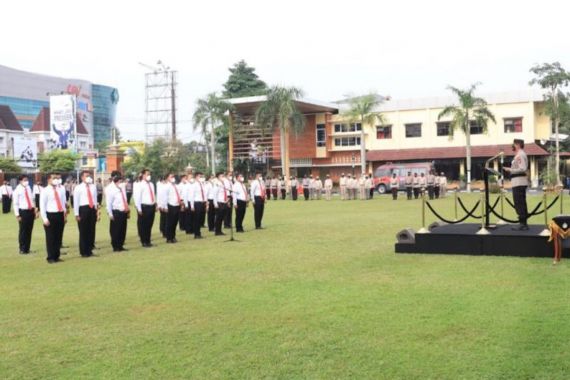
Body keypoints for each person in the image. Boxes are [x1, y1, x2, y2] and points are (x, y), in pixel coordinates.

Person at [40, 173, 66, 263]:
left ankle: (56, 255)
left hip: (60, 214)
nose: (56, 179)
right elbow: (42, 205)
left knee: (58, 236)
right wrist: (45, 219)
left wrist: (64, 214)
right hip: (50, 215)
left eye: (56, 178)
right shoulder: (45, 191)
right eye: (53, 178)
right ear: (48, 180)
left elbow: (63, 203)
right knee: (51, 237)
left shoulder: (60, 189)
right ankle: (50, 257)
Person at [504, 139, 529, 231]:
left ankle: (522, 223)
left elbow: (522, 168)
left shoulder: (520, 155)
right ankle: (523, 223)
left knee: (519, 203)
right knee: (520, 202)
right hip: (518, 181)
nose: (512, 146)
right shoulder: (520, 154)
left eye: (514, 144)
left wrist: (510, 170)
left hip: (519, 182)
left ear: (518, 144)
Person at [73, 170, 99, 258]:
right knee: (83, 231)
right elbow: (75, 202)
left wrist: (96, 210)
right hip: (83, 209)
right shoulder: (78, 187)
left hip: (92, 209)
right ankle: (83, 252)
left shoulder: (93, 186)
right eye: (86, 176)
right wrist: (76, 214)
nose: (88, 177)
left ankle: (89, 250)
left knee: (91, 230)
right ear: (82, 177)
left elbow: (95, 199)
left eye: (89, 176)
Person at [105, 171, 130, 252]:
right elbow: (108, 203)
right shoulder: (110, 189)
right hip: (116, 212)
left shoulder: (121, 187)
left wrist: (127, 209)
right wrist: (110, 213)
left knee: (123, 230)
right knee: (116, 230)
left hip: (123, 211)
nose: (121, 183)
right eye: (120, 181)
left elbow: (125, 199)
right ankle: (115, 246)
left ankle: (120, 245)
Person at [13, 175, 36, 255]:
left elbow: (31, 199)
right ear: (20, 181)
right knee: (23, 231)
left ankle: (27, 248)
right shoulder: (17, 190)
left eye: (27, 180)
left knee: (29, 230)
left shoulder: (29, 188)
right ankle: (22, 249)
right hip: (23, 212)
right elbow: (15, 204)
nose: (26, 181)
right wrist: (17, 215)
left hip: (30, 211)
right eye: (25, 180)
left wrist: (34, 210)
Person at [133, 169, 156, 248]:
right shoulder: (139, 185)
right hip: (144, 207)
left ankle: (148, 240)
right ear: (143, 175)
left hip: (151, 206)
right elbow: (137, 198)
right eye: (147, 174)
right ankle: (144, 241)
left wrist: (155, 204)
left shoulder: (151, 184)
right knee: (144, 225)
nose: (149, 176)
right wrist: (139, 209)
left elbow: (152, 195)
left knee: (150, 224)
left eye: (149, 174)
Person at [161, 173, 183, 243]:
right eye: (171, 177)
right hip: (170, 205)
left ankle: (173, 236)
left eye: (173, 176)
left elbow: (179, 194)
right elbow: (165, 197)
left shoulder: (176, 186)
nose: (173, 178)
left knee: (175, 222)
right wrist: (165, 207)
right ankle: (169, 238)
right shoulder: (166, 186)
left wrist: (181, 203)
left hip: (177, 205)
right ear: (167, 178)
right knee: (169, 223)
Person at [189, 171, 208, 239]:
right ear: (196, 177)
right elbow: (191, 196)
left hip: (202, 202)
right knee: (196, 219)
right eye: (200, 176)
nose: (201, 178)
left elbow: (205, 194)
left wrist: (206, 202)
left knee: (200, 219)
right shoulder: (194, 185)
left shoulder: (202, 184)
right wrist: (192, 206)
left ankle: (199, 233)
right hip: (197, 203)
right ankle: (196, 234)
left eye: (202, 176)